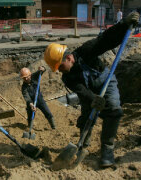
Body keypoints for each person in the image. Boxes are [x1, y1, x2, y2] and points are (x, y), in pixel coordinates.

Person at [44, 12, 139, 167]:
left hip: (105, 81)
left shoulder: (86, 51)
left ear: (68, 58)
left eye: (60, 66)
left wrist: (123, 25)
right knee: (87, 115)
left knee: (114, 110)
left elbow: (105, 40)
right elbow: (81, 91)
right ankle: (83, 144)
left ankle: (107, 149)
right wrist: (93, 99)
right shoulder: (67, 77)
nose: (60, 71)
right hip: (89, 91)